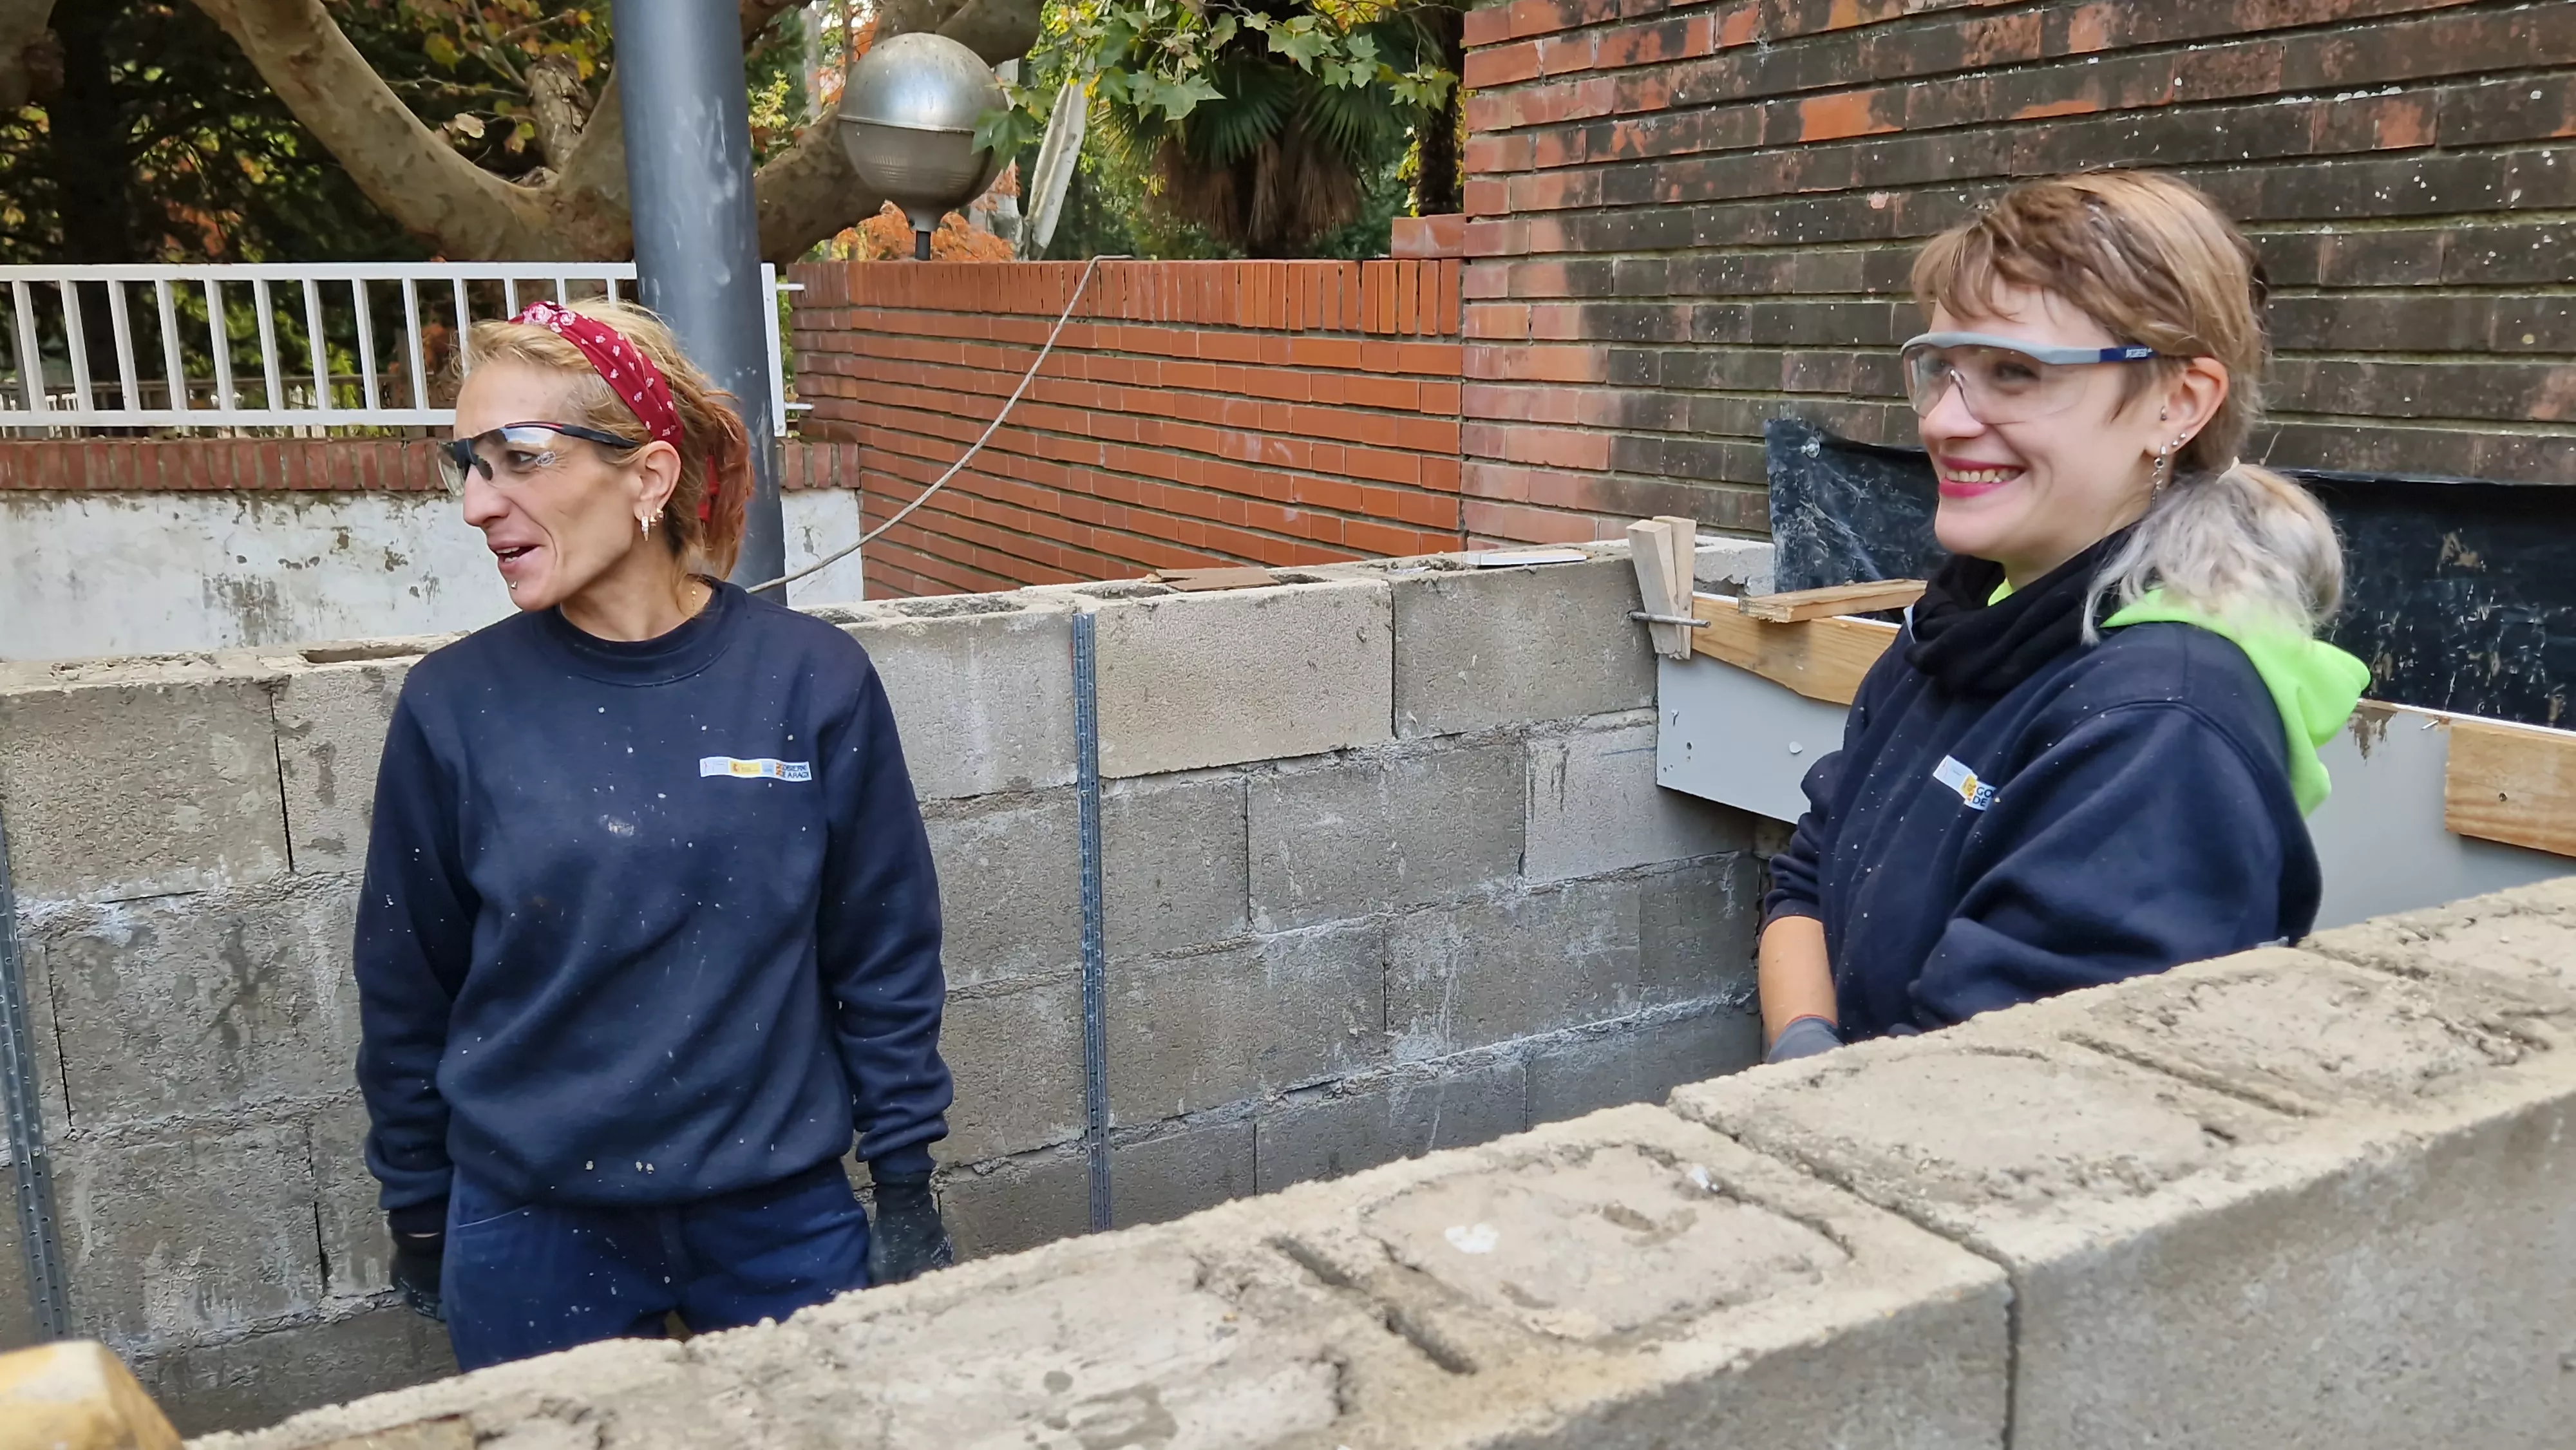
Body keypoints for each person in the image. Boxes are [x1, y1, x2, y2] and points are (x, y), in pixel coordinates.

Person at [354, 298, 955, 1370]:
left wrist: (903, 1178)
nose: (477, 505)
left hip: (779, 1221)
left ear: (649, 476)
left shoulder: (809, 682)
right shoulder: (454, 706)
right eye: (469, 465)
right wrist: (421, 1206)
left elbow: (884, 948)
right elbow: (410, 984)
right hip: (535, 1230)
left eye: (519, 458)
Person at [1759, 171, 2371, 1063]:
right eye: (1941, 370)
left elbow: (1996, 1099)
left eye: (2014, 373)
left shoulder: (2161, 726)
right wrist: (1805, 1056)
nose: (1944, 420)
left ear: (2178, 404)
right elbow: (1810, 871)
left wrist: (1800, 1097)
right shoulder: (1974, 616)